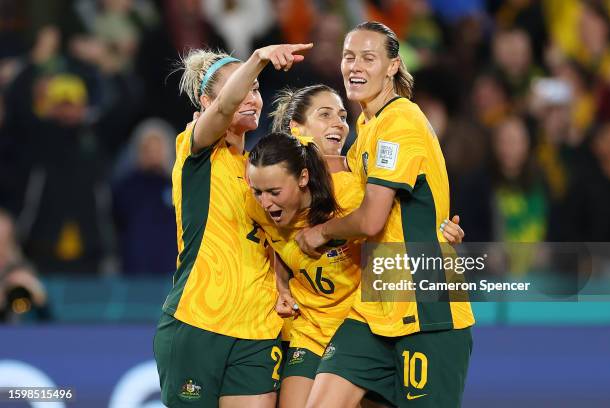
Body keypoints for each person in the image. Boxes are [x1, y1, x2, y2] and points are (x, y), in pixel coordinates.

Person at [247, 84, 464, 408]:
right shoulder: (266, 186)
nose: (339, 123)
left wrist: (441, 236)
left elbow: (399, 226)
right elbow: (271, 242)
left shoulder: (359, 189)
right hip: (311, 328)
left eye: (343, 115)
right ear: (297, 128)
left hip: (367, 323)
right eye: (325, 114)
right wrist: (280, 283)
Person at [296, 22, 475, 408]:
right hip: (374, 306)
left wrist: (321, 233)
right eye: (348, 56)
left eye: (368, 57)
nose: (354, 66)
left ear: (393, 66)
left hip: (427, 309)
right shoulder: (365, 128)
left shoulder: (400, 123)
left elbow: (371, 219)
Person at [153, 42, 312, 408]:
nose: (252, 97)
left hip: (258, 328)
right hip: (198, 321)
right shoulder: (195, 151)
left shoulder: (262, 173)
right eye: (241, 87)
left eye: (256, 88)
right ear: (206, 104)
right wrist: (257, 60)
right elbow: (227, 108)